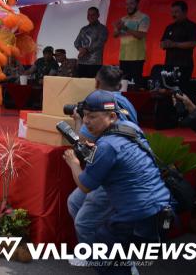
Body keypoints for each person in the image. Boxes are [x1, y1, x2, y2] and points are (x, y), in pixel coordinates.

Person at [63, 90, 172, 273]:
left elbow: (85, 186)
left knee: (107, 255)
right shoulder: (130, 126)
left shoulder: (107, 146)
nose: (87, 121)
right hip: (160, 207)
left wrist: (73, 163)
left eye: (93, 117)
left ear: (112, 116)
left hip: (137, 213)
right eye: (85, 116)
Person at [67, 66, 139, 267]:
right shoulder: (127, 103)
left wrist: (79, 120)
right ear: (119, 84)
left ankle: (102, 258)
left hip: (115, 172)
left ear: (97, 82)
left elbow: (82, 142)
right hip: (119, 167)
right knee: (75, 203)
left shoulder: (101, 106)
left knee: (83, 221)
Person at [160, 1, 196, 88]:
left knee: (182, 89)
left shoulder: (193, 26)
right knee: (168, 88)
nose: (173, 14)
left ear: (185, 12)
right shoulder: (169, 27)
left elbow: (192, 43)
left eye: (176, 12)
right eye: (172, 12)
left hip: (184, 65)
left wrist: (174, 44)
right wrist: (165, 44)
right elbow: (162, 43)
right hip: (169, 65)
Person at [113, 0, 150, 87]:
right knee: (123, 85)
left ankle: (135, 101)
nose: (128, 6)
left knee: (135, 85)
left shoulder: (143, 17)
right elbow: (115, 35)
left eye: (131, 3)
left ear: (137, 4)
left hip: (136, 57)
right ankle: (123, 101)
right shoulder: (123, 19)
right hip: (124, 56)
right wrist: (117, 29)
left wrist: (125, 28)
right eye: (127, 4)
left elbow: (141, 35)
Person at [74, 7, 108, 78]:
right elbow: (76, 42)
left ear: (98, 15)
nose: (90, 17)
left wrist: (86, 50)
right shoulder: (84, 29)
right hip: (82, 61)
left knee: (92, 85)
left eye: (93, 14)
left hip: (95, 63)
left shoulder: (102, 28)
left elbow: (100, 43)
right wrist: (80, 48)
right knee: (82, 85)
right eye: (89, 15)